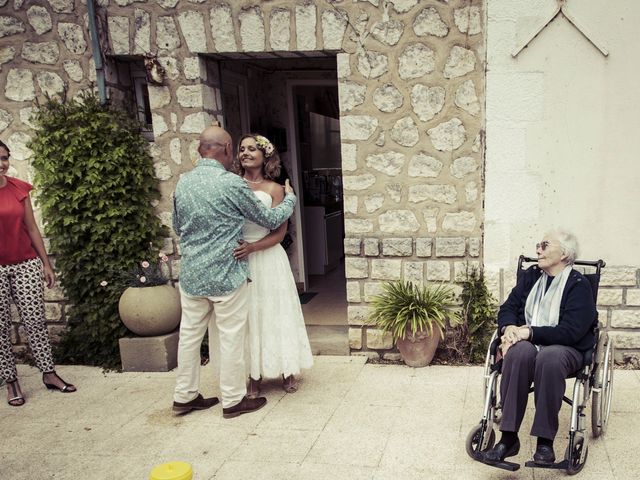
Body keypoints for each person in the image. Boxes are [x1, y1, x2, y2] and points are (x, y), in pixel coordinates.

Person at [172, 125, 297, 418]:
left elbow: (177, 227)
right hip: (226, 274)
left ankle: (184, 396)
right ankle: (232, 400)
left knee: (189, 336)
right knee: (230, 336)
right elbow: (270, 216)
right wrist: (290, 197)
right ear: (228, 149)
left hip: (191, 275)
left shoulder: (183, 183)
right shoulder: (232, 184)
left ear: (199, 149)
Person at [482, 229, 596, 466]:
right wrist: (510, 328)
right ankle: (508, 438)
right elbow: (507, 308)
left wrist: (530, 332)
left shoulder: (578, 285)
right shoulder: (531, 277)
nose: (538, 250)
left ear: (564, 254)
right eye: (538, 245)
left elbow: (571, 331)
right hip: (529, 343)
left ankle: (545, 442)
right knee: (518, 353)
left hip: (567, 348)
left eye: (544, 245)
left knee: (550, 358)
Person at [232, 134, 313, 397]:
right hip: (240, 258)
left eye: (252, 149)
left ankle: (286, 369)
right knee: (249, 316)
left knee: (276, 311)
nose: (246, 153)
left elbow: (279, 233)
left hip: (268, 256)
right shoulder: (232, 186)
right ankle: (253, 376)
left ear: (265, 155)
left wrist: (253, 247)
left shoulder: (276, 189)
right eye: (242, 149)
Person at [0, 139, 76, 407]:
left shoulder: (19, 189)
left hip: (25, 264)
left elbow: (32, 228)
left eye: (4, 158)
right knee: (1, 328)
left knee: (35, 321)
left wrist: (46, 263)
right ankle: (11, 382)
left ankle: (49, 374)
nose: (1, 164)